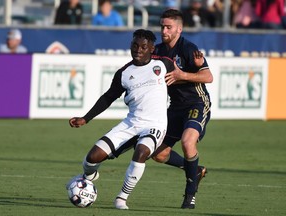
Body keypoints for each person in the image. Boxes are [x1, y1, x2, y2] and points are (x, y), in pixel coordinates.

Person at [68, 29, 176, 210]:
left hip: (155, 125)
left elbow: (181, 77)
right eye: (135, 45)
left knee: (141, 152)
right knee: (91, 159)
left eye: (143, 46)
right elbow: (108, 97)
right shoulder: (124, 73)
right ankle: (90, 176)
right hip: (131, 123)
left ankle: (121, 198)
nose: (138, 50)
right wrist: (86, 118)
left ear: (151, 49)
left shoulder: (164, 64)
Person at [152, 9, 213, 209]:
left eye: (168, 27)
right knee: (158, 153)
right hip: (175, 107)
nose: (164, 30)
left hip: (197, 103)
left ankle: (190, 195)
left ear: (179, 28)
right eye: (162, 26)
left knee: (188, 142)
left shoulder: (188, 48)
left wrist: (182, 75)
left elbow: (208, 77)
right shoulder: (157, 51)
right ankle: (194, 170)